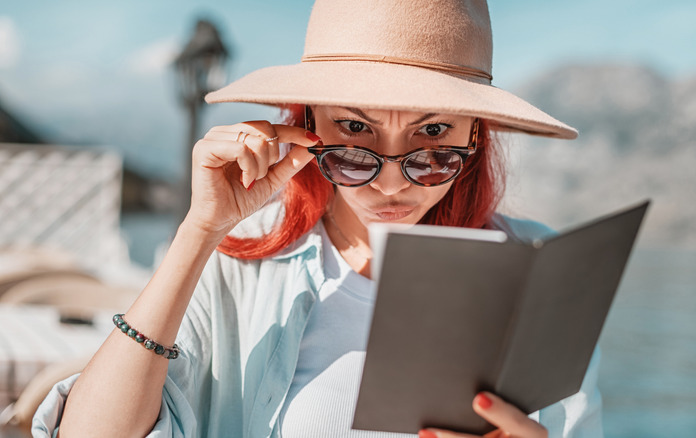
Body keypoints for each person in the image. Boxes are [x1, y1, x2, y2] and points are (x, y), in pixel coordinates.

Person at [33, 0, 602, 437]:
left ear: (475, 133)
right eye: (355, 131)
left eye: (433, 136)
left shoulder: (537, 270)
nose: (390, 181)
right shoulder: (237, 258)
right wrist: (200, 231)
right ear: (307, 125)